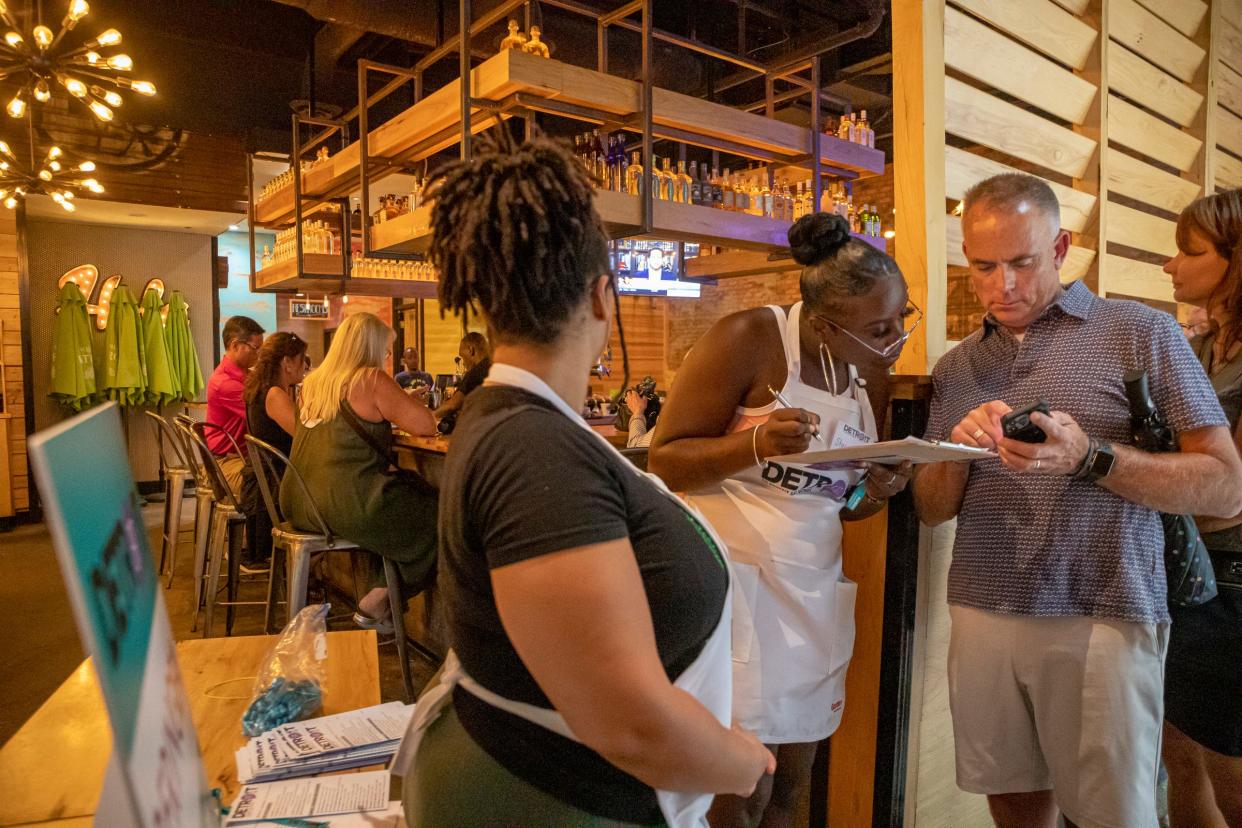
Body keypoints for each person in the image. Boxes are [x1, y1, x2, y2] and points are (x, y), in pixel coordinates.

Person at [395, 128, 773, 827]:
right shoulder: (532, 451)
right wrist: (744, 762)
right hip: (546, 798)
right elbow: (633, 725)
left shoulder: (517, 423)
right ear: (604, 298)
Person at [913, 173, 1242, 828]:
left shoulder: (1140, 332)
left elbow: (1225, 484)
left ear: (1060, 248)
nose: (1002, 285)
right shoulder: (956, 367)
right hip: (981, 606)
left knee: (1112, 813)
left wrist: (1088, 457)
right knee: (1011, 805)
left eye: (1021, 262)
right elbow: (932, 508)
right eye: (984, 266)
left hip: (1106, 609)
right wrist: (958, 449)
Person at [648, 211, 914, 827]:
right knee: (739, 791)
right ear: (823, 325)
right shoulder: (749, 338)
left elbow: (843, 506)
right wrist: (754, 445)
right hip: (736, 597)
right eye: (880, 326)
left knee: (794, 783)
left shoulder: (867, 372)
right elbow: (664, 460)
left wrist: (877, 489)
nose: (895, 337)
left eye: (902, 317)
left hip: (812, 599)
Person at [1161, 188, 1242, 827]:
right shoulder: (1208, 347)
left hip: (1232, 578)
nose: (1171, 265)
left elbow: (1228, 496)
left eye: (1188, 252)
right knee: (1177, 753)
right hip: (1193, 573)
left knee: (1229, 769)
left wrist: (1122, 477)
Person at [279, 312, 438, 631]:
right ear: (371, 346)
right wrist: (402, 400)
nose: (387, 357)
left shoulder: (313, 383)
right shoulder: (370, 379)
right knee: (443, 517)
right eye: (386, 349)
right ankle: (377, 599)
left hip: (297, 499)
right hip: (344, 502)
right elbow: (426, 425)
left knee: (406, 513)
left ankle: (381, 598)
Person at [240, 332, 308, 568]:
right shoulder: (274, 394)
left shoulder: (260, 388)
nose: (305, 366)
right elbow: (304, 437)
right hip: (276, 489)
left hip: (265, 485)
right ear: (287, 362)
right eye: (302, 359)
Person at [206, 315, 264, 495]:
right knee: (275, 482)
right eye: (255, 348)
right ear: (235, 345)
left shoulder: (245, 375)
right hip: (227, 463)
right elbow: (263, 417)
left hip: (242, 457)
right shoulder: (226, 383)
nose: (259, 354)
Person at [433, 331, 491, 424]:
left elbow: (452, 405)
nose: (463, 363)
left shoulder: (476, 372)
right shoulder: (496, 366)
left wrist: (431, 415)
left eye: (462, 356)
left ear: (470, 350)